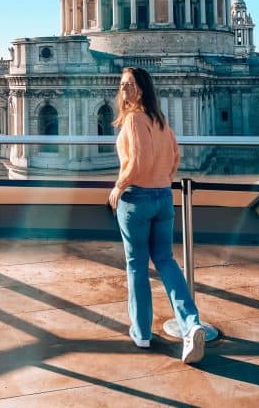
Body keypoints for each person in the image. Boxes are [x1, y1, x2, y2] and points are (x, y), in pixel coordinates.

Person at [108, 66, 205, 364]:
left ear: (142, 89)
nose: (124, 90)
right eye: (123, 85)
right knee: (166, 262)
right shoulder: (161, 120)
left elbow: (139, 161)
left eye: (130, 85)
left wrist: (118, 187)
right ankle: (191, 324)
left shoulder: (135, 119)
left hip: (137, 199)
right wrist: (162, 179)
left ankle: (141, 333)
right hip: (164, 198)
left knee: (136, 266)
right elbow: (175, 156)